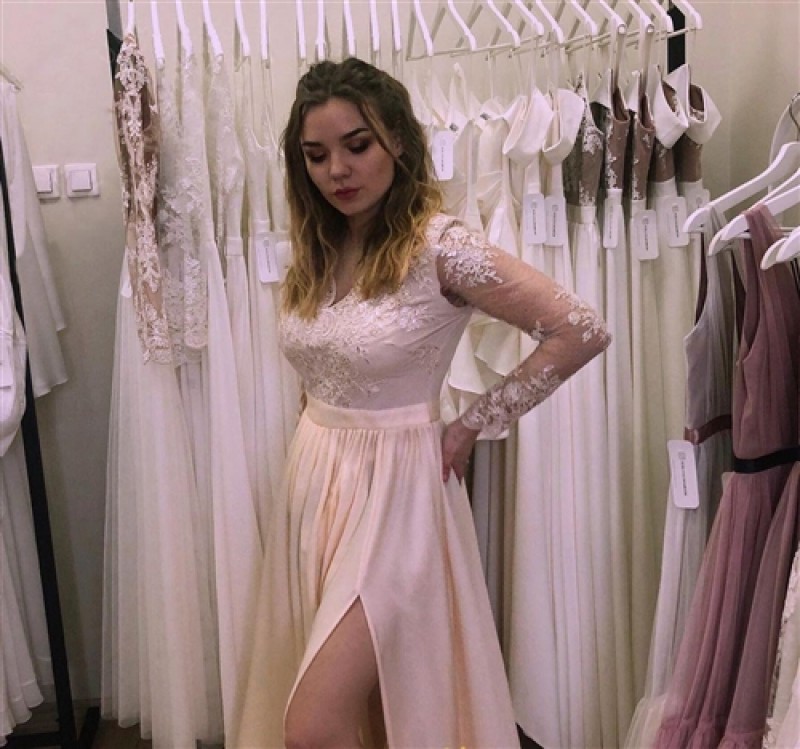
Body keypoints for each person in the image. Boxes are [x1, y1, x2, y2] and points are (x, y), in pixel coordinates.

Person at [233, 57, 611, 749]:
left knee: (313, 725)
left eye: (357, 145)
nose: (337, 170)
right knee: (369, 710)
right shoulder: (320, 246)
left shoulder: (440, 247)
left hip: (399, 495)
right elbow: (320, 369)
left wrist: (472, 425)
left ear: (399, 142)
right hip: (315, 482)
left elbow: (580, 329)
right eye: (316, 155)